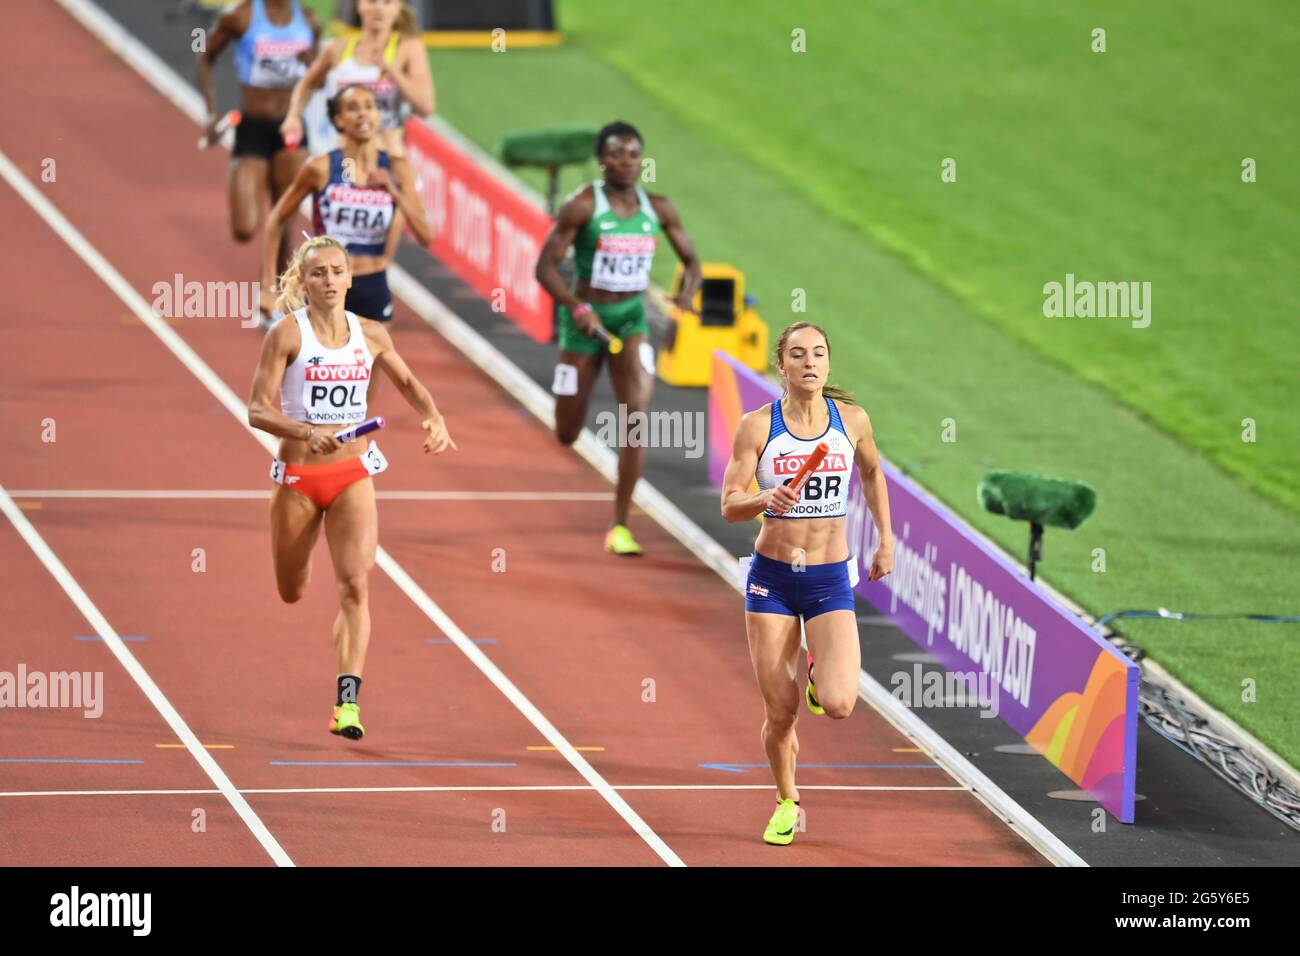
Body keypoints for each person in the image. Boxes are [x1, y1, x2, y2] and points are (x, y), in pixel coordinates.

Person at [247, 235, 456, 739]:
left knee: (356, 586)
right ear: (303, 281)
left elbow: (406, 382)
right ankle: (308, 560)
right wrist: (305, 432)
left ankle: (347, 704)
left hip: (352, 476)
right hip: (299, 479)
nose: (331, 281)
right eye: (318, 273)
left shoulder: (371, 333)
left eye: (338, 271)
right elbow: (256, 409)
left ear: (349, 278)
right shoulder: (286, 335)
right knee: (292, 591)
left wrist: (433, 416)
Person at [720, 321, 894, 845]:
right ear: (783, 366)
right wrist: (763, 500)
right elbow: (730, 505)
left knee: (839, 703)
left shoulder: (853, 422)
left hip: (828, 578)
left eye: (818, 353)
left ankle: (820, 674)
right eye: (798, 355)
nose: (810, 362)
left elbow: (872, 473)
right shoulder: (757, 427)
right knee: (781, 711)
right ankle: (787, 799)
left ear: (827, 364)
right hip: (771, 581)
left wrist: (886, 539)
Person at [534, 121, 702, 555]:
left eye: (633, 154)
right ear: (601, 160)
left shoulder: (659, 209)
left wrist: (685, 293)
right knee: (567, 432)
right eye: (616, 154)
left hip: (630, 320)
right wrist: (577, 308)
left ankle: (620, 525)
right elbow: (545, 267)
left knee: (635, 419)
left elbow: (692, 261)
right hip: (584, 324)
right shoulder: (584, 206)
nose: (626, 162)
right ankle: (573, 411)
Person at [260, 84, 434, 324]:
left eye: (370, 107)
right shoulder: (320, 168)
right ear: (339, 120)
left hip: (373, 285)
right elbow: (276, 220)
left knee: (375, 361)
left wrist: (393, 190)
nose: (363, 113)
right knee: (317, 361)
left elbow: (426, 236)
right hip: (325, 284)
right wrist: (269, 287)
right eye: (353, 108)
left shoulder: (396, 168)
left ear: (378, 116)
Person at [196, 0, 321, 275]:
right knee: (244, 228)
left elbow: (319, 78)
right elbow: (204, 55)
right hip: (253, 128)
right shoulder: (240, 15)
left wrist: (312, 63)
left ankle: (276, 300)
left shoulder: (310, 21)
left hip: (290, 130)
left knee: (284, 222)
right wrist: (210, 112)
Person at [280, 0, 433, 160]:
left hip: (389, 156)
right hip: (348, 158)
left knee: (397, 181)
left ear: (398, 7)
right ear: (359, 5)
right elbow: (306, 84)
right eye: (372, 1)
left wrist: (392, 70)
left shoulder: (408, 48)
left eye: (387, 2)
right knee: (327, 178)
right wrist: (293, 116)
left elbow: (425, 107)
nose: (379, 8)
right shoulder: (339, 48)